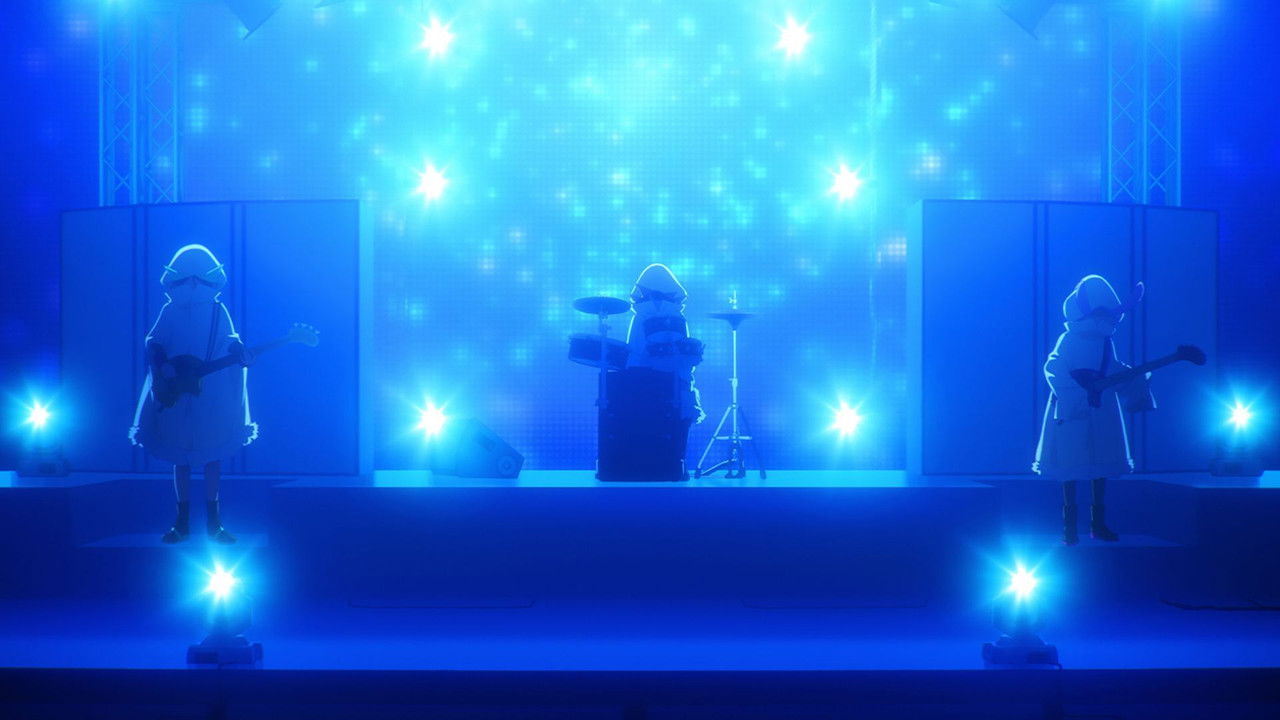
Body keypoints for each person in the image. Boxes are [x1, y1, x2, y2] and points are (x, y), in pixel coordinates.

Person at [129, 244, 257, 545]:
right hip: (176, 394)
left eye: (199, 279)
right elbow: (154, 341)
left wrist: (238, 349)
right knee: (180, 456)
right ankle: (182, 521)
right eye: (187, 279)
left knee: (213, 454)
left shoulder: (217, 311)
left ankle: (214, 522)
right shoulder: (170, 311)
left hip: (211, 394)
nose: (193, 285)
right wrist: (164, 364)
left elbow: (228, 339)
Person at [1034, 274, 1155, 545]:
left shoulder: (1105, 343)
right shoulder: (1069, 340)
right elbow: (1054, 368)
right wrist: (1079, 391)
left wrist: (1133, 377)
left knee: (1099, 467)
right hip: (1072, 410)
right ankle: (1069, 527)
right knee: (1070, 467)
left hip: (1100, 410)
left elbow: (1112, 369)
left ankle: (1097, 525)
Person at [624, 264, 706, 467]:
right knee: (675, 423)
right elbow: (684, 356)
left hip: (647, 381)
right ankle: (675, 464)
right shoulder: (676, 316)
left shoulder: (641, 316)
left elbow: (634, 352)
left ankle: (650, 464)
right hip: (672, 380)